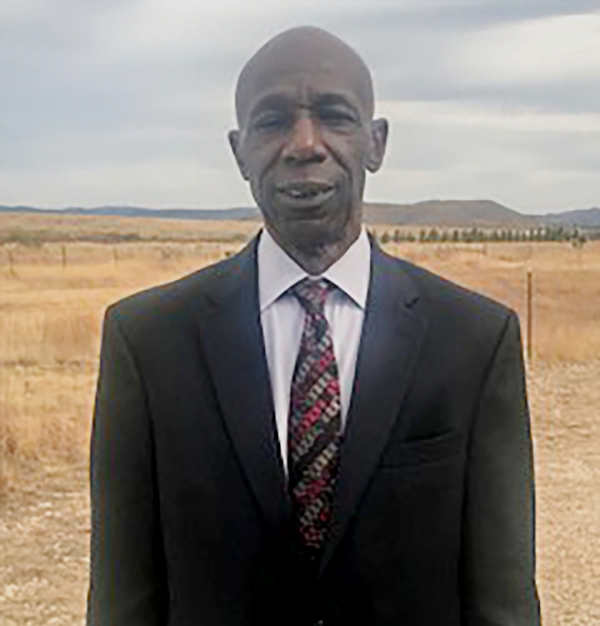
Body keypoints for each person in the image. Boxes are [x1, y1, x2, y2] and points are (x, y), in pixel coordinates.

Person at [87, 26, 541, 626]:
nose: (305, 144)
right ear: (239, 151)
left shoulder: (474, 342)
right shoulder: (147, 343)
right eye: (273, 121)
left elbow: (503, 602)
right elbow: (122, 598)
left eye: (334, 116)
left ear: (376, 142)